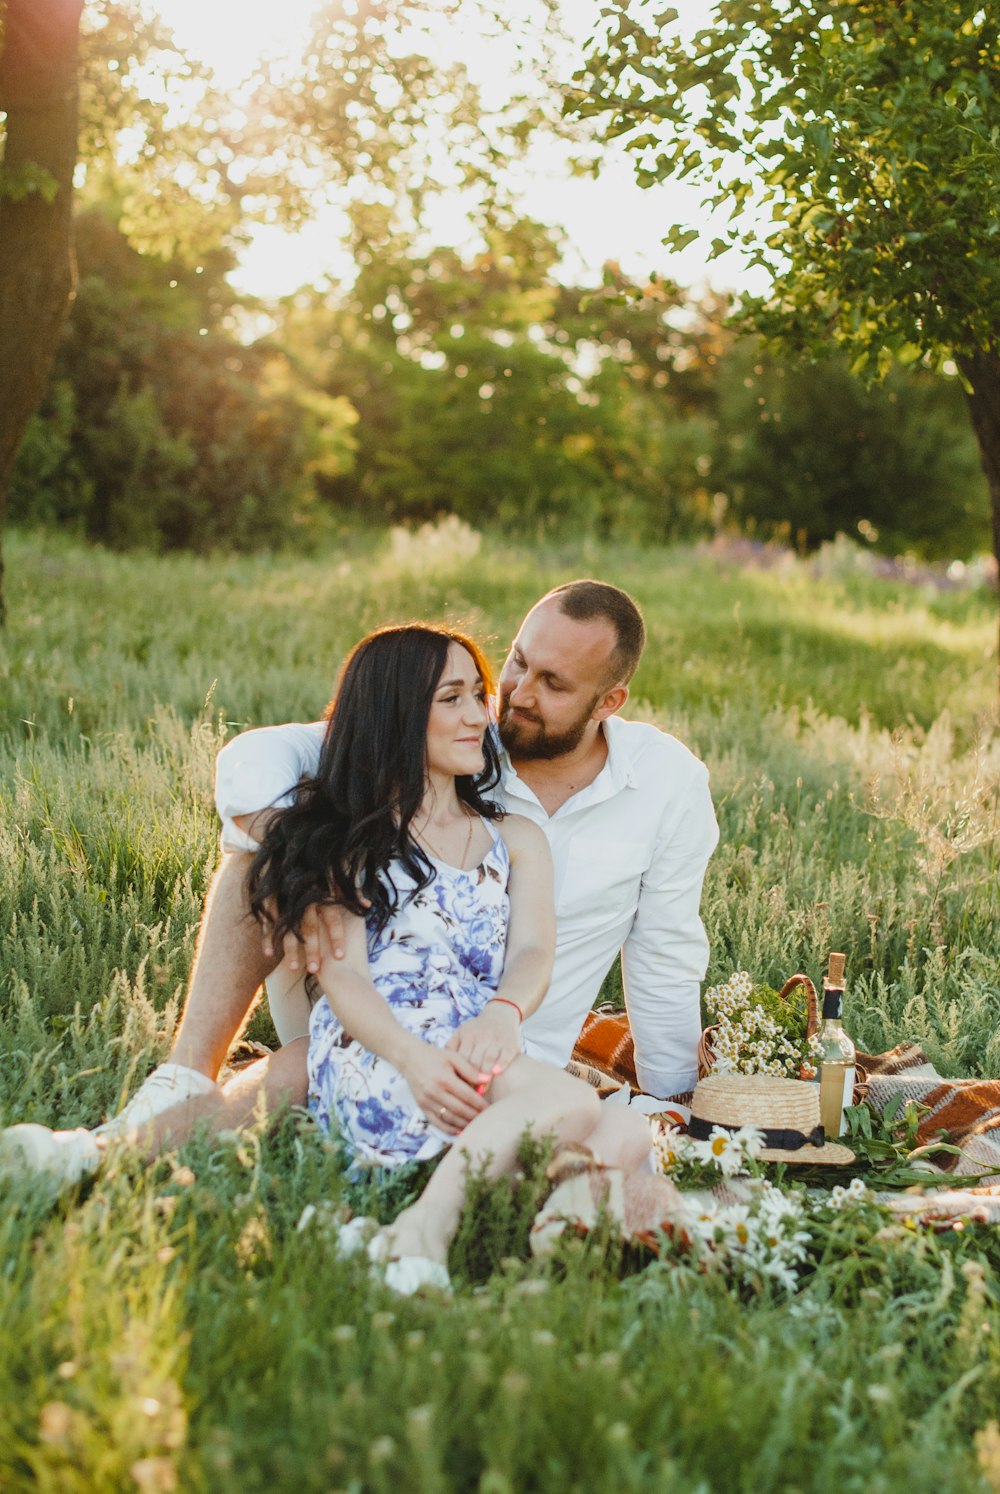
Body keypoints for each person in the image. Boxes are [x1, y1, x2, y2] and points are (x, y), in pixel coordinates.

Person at [3, 625, 651, 1293]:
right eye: (451, 699)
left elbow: (535, 949)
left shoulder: (515, 837)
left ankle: (405, 1225)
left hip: (472, 1045)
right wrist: (411, 1058)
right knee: (571, 1103)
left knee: (620, 1127)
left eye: (477, 695)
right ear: (398, 715)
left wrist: (504, 1014)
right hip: (381, 1047)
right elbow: (344, 976)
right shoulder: (355, 837)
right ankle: (423, 1233)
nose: (478, 716)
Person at [5, 579, 718, 1160]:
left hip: (506, 1043)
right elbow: (256, 760)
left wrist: (679, 1101)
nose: (516, 694)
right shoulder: (451, 732)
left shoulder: (663, 786)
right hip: (365, 1006)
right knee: (266, 850)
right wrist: (315, 866)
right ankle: (175, 1086)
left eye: (553, 683)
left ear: (609, 703)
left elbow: (664, 952)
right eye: (519, 661)